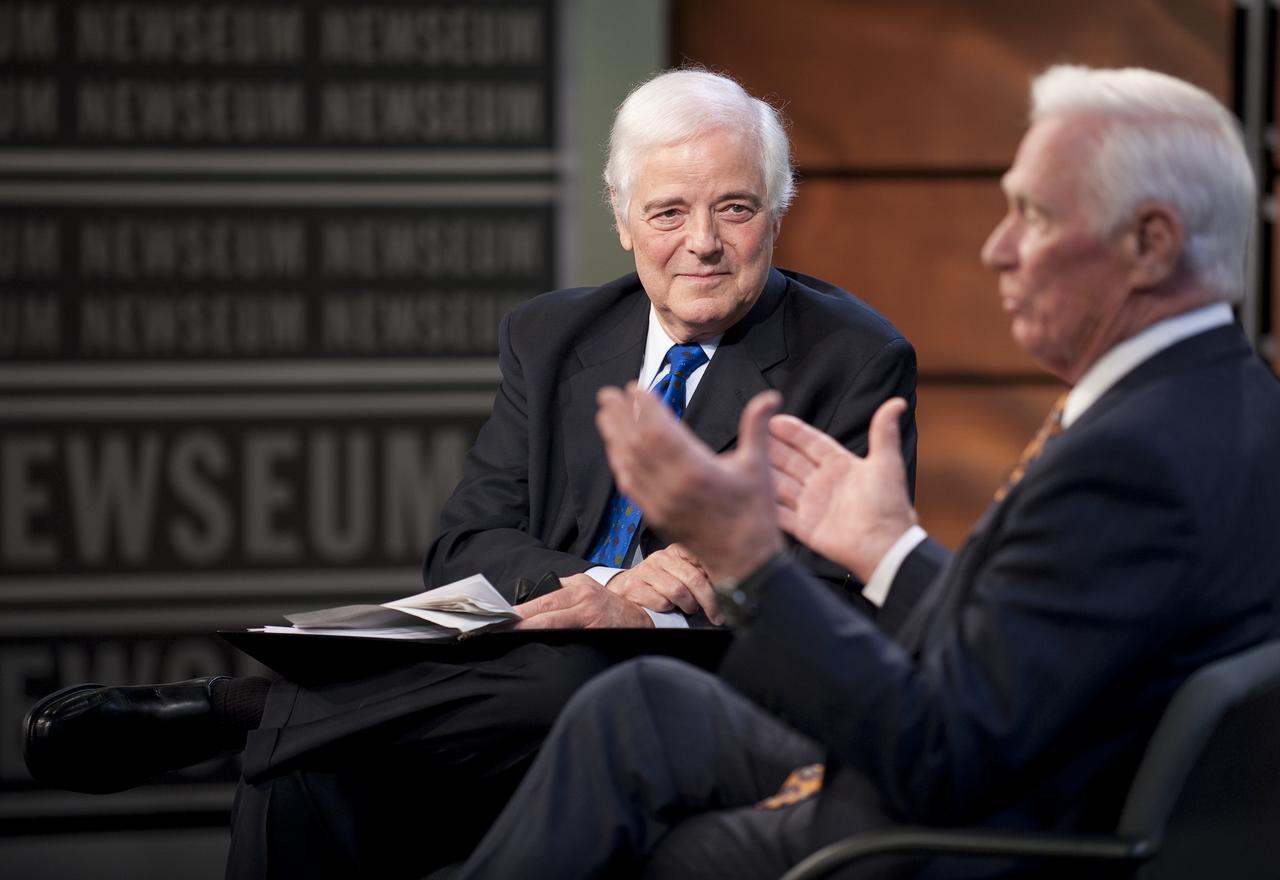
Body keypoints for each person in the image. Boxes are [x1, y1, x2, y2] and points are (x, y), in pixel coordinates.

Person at [23, 69, 917, 878]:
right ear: (620, 218)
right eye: (668, 212)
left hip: (702, 686)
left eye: (735, 208)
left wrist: (648, 609)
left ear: (778, 210)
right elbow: (464, 546)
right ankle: (276, 726)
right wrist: (599, 588)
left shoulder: (851, 359)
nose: (703, 244)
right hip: (512, 680)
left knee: (590, 677)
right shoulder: (553, 335)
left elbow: (834, 588)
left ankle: (243, 710)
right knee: (300, 781)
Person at [451, 64, 1280, 879]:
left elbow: (941, 753)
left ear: (1150, 244)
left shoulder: (1130, 461)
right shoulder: (1230, 401)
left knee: (649, 828)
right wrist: (890, 548)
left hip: (959, 831)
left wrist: (750, 565)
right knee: (637, 715)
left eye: (1031, 216)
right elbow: (1018, 654)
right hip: (999, 760)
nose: (997, 250)